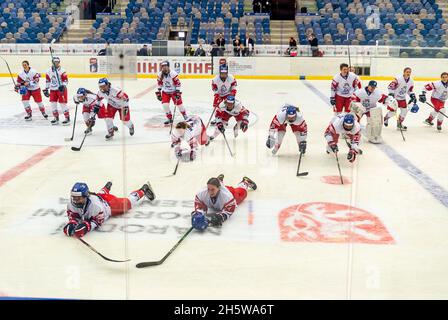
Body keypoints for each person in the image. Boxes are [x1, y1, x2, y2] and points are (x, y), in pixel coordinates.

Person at [63, 181, 155, 238]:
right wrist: (72, 223)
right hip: (99, 197)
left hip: (110, 204)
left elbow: (98, 221)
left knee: (128, 203)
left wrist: (87, 226)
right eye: (73, 197)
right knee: (99, 194)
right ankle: (105, 189)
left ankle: (143, 189)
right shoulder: (71, 204)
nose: (75, 200)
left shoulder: (96, 206)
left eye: (78, 198)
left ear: (85, 196)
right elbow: (73, 216)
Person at [191, 175, 257, 230]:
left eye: (212, 189)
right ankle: (219, 180)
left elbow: (229, 210)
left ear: (219, 188)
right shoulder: (202, 193)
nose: (210, 192)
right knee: (212, 188)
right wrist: (198, 214)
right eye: (208, 189)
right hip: (220, 190)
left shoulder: (227, 196)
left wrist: (221, 217)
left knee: (242, 193)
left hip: (231, 192)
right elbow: (200, 205)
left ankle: (245, 182)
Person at [156, 60, 187, 125]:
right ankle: (169, 118)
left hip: (174, 92)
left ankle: (185, 116)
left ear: (168, 66)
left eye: (165, 66)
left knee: (179, 105)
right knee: (165, 105)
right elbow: (159, 84)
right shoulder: (160, 74)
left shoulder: (173, 73)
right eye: (163, 66)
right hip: (165, 92)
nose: (164, 68)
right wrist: (158, 92)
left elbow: (178, 83)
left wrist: (178, 92)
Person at [44, 57, 69, 125]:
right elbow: (48, 80)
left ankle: (67, 118)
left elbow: (66, 80)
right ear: (52, 62)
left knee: (62, 104)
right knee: (53, 104)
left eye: (57, 62)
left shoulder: (62, 71)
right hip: (52, 89)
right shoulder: (48, 71)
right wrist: (46, 88)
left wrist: (63, 86)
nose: (56, 63)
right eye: (55, 62)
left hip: (61, 89)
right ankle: (56, 118)